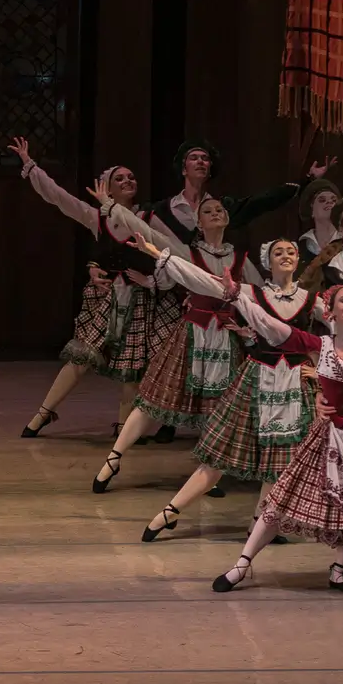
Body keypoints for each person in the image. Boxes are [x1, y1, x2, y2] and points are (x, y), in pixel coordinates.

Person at [215, 281, 343, 593]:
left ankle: (338, 571)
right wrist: (240, 299)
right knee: (281, 501)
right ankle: (241, 565)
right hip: (327, 437)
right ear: (330, 311)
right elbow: (271, 326)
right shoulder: (320, 345)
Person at [135, 237, 318, 542]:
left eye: (291, 252)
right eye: (278, 252)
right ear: (268, 262)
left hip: (293, 384)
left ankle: (259, 524)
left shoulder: (312, 300)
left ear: (298, 260)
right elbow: (203, 280)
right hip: (258, 377)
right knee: (220, 456)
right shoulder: (252, 293)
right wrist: (159, 254)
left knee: (281, 461)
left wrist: (322, 368)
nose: (285, 256)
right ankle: (169, 512)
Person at [7, 143, 183, 438]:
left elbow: (173, 252)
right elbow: (60, 198)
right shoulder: (98, 217)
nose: (127, 181)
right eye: (119, 178)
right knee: (81, 357)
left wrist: (152, 280)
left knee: (133, 364)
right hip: (109, 297)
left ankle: (126, 427)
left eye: (131, 177)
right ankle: (43, 414)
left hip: (141, 298)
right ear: (107, 189)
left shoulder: (148, 218)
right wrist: (30, 165)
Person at [92, 190, 258, 493]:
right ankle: (113, 459)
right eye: (208, 211)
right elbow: (148, 233)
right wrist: (111, 206)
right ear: (198, 223)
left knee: (217, 406)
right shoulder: (186, 252)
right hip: (192, 333)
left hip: (225, 337)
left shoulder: (241, 259)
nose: (216, 213)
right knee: (154, 399)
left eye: (220, 209)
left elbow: (260, 297)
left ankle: (209, 468)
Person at [138, 141, 325, 249]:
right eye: (194, 158)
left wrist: (308, 179)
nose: (200, 161)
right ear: (183, 169)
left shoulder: (222, 208)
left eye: (205, 159)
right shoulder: (161, 210)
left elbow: (262, 201)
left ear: (210, 170)